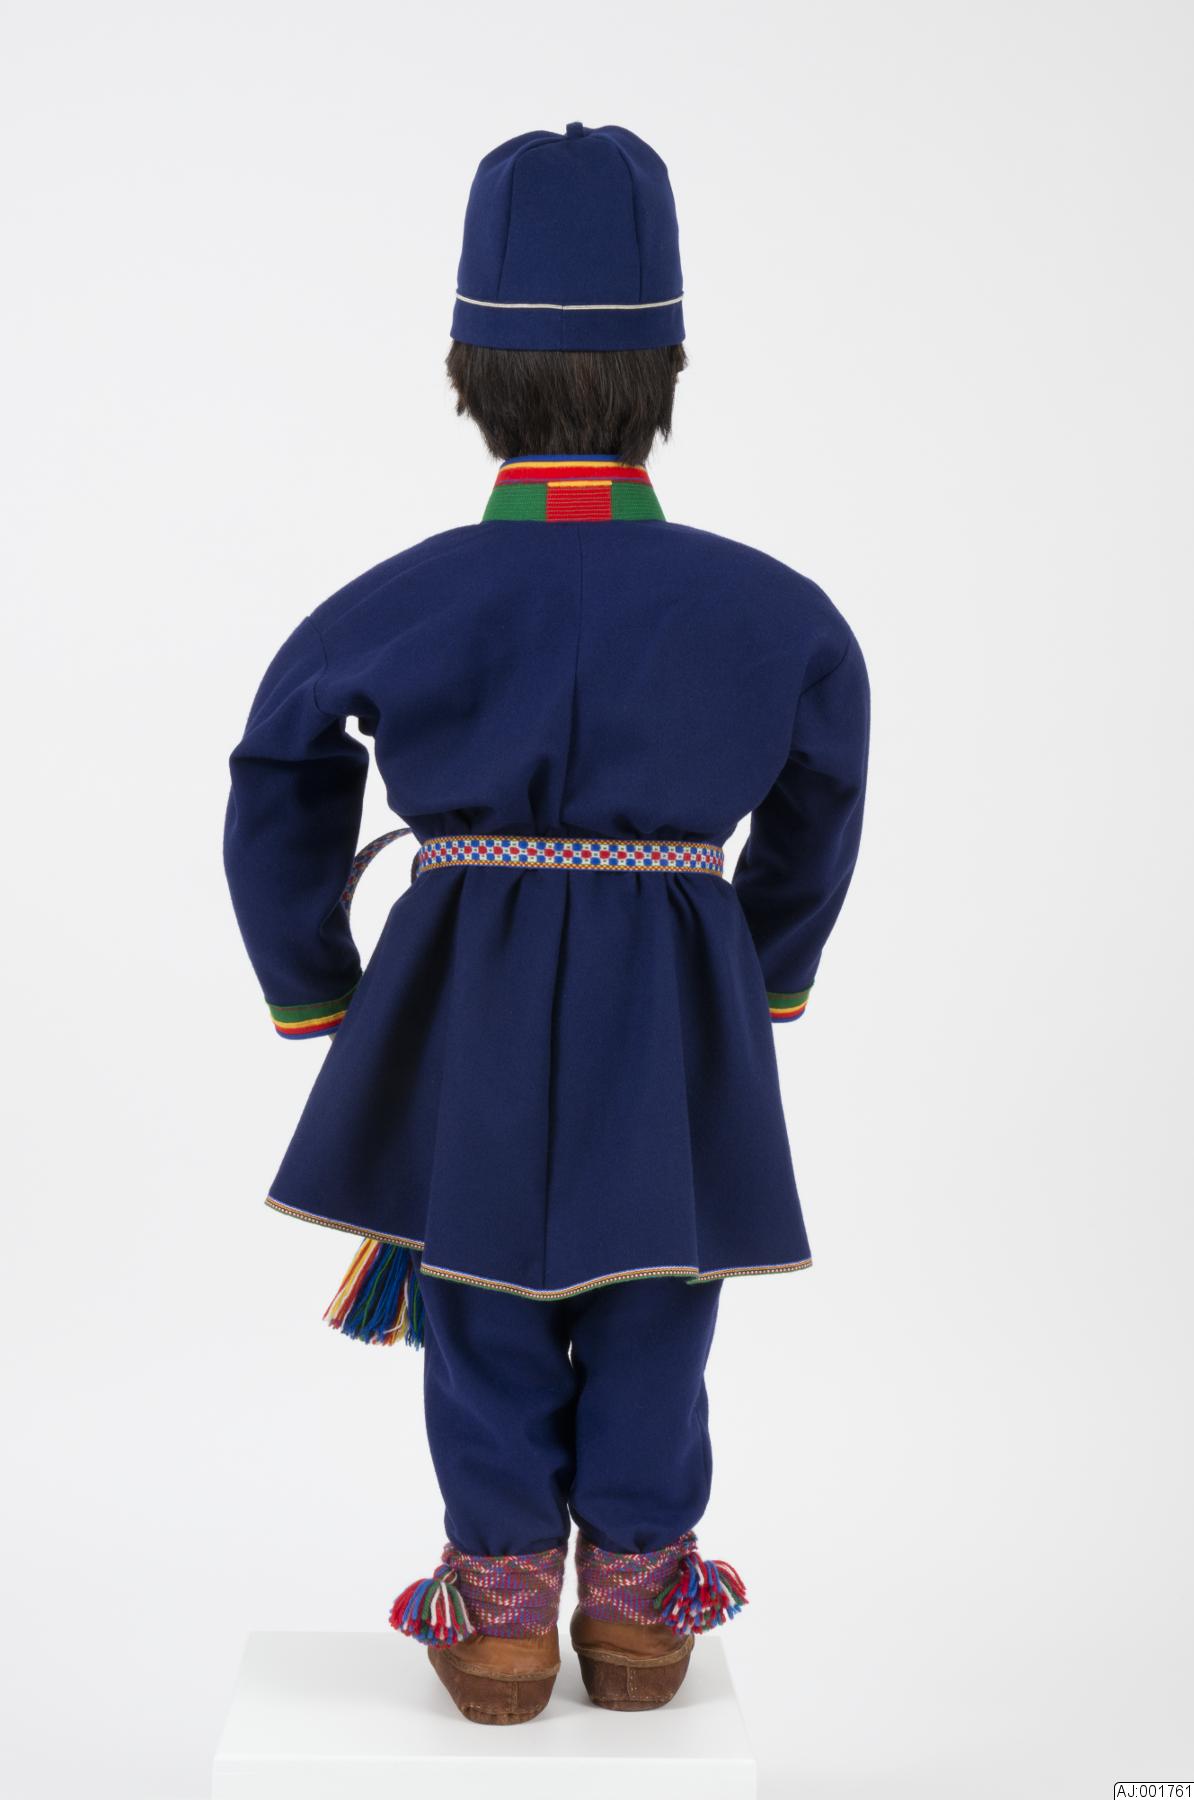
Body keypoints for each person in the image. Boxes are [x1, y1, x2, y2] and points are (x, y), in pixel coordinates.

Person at [223, 121, 870, 1726]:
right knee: (660, 1287)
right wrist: (762, 970)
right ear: (666, 376)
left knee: (482, 1283)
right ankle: (641, 1606)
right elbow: (823, 795)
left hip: (465, 984)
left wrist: (322, 988)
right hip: (677, 984)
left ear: (469, 377)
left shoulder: (401, 593)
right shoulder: (773, 606)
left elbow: (277, 772)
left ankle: (501, 1612)